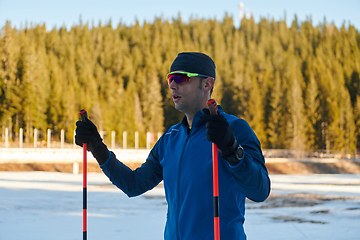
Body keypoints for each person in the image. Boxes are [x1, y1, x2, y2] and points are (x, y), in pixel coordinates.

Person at [75, 52, 271, 240]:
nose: (173, 86)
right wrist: (97, 148)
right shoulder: (170, 138)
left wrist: (231, 149)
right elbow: (133, 184)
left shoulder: (235, 128)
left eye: (180, 78)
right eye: (170, 79)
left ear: (207, 83)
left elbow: (259, 191)